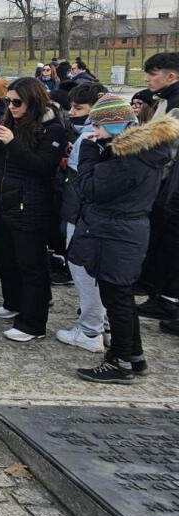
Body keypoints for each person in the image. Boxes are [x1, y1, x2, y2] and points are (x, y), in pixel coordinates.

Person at [71, 95, 178, 383]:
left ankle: (120, 362)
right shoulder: (143, 151)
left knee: (116, 297)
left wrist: (89, 153)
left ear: (116, 126)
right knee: (122, 296)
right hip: (125, 229)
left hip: (115, 232)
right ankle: (133, 355)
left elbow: (90, 188)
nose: (94, 132)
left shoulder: (129, 159)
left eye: (98, 126)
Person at [0, 78, 67, 342]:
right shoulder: (12, 123)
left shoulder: (52, 128)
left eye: (16, 102)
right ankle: (13, 302)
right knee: (7, 258)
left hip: (32, 203)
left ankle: (33, 323)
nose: (11, 106)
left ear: (32, 101)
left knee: (32, 265)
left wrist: (11, 142)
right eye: (8, 101)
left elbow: (43, 166)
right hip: (6, 199)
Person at [56, 82, 111, 353]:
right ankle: (102, 323)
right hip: (93, 216)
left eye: (79, 108)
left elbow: (81, 182)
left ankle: (90, 330)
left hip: (81, 215)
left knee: (84, 273)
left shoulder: (89, 139)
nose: (73, 112)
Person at [140, 53, 179, 327]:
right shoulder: (164, 100)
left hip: (172, 184)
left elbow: (163, 147)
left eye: (152, 74)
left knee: (171, 242)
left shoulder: (175, 104)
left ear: (171, 76)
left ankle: (169, 300)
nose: (146, 79)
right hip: (164, 182)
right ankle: (158, 292)